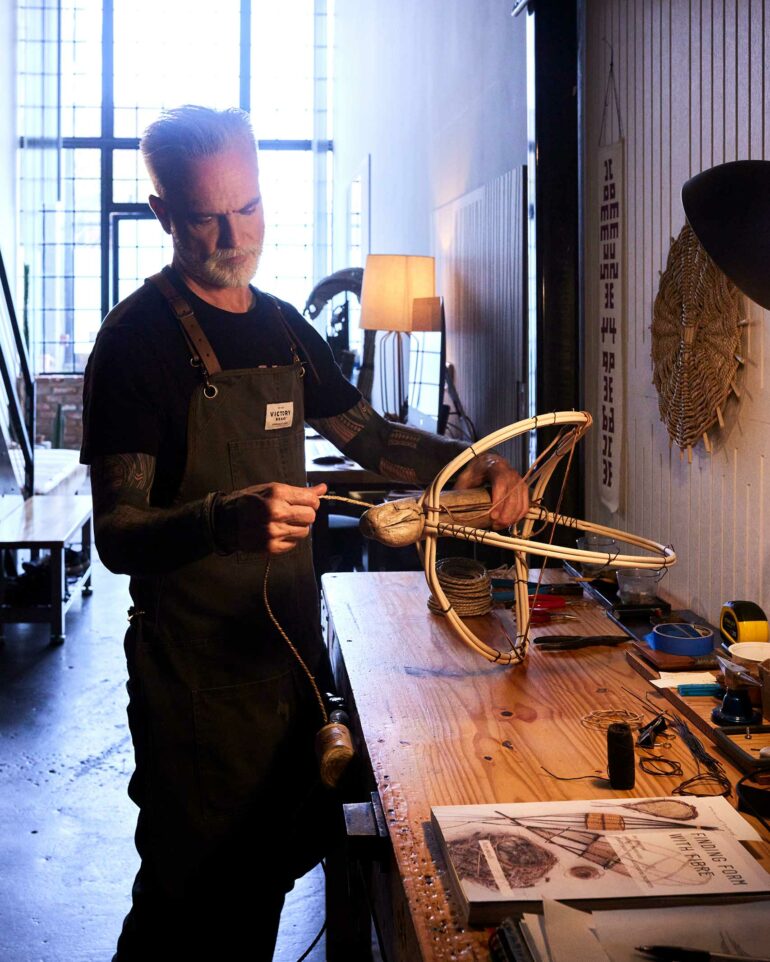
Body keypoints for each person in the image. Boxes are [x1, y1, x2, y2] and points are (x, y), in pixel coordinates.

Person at [80, 104, 528, 961]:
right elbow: (118, 533)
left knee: (262, 882)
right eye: (206, 214)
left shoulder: (285, 325)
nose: (232, 232)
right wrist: (224, 518)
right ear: (161, 212)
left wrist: (474, 463)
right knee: (187, 901)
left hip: (284, 660)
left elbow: (372, 437)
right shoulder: (133, 345)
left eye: (247, 207)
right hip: (195, 685)